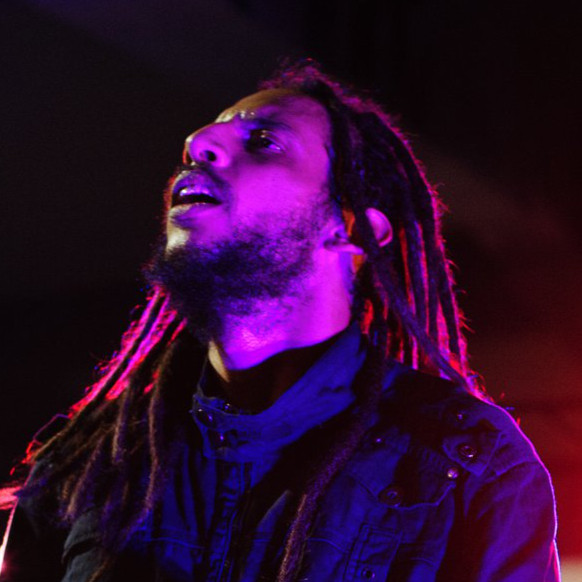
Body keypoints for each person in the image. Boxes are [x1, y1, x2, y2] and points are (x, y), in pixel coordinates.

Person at [0, 61, 559, 581]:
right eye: (206, 136)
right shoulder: (86, 463)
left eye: (264, 141)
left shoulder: (469, 464)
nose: (198, 142)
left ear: (351, 230)